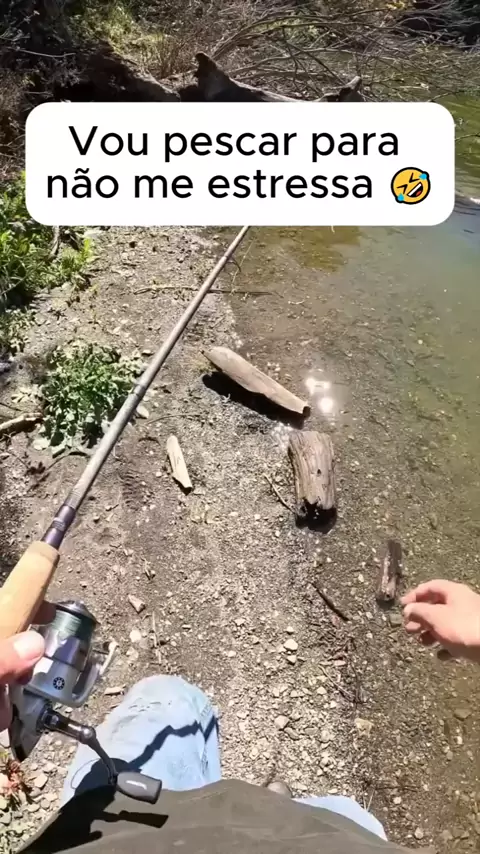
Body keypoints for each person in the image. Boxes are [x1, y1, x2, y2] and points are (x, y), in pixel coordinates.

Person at [3, 578, 479, 854]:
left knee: (172, 699)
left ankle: (268, 806)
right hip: (330, 842)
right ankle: (272, 806)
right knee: (352, 817)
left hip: (118, 836)